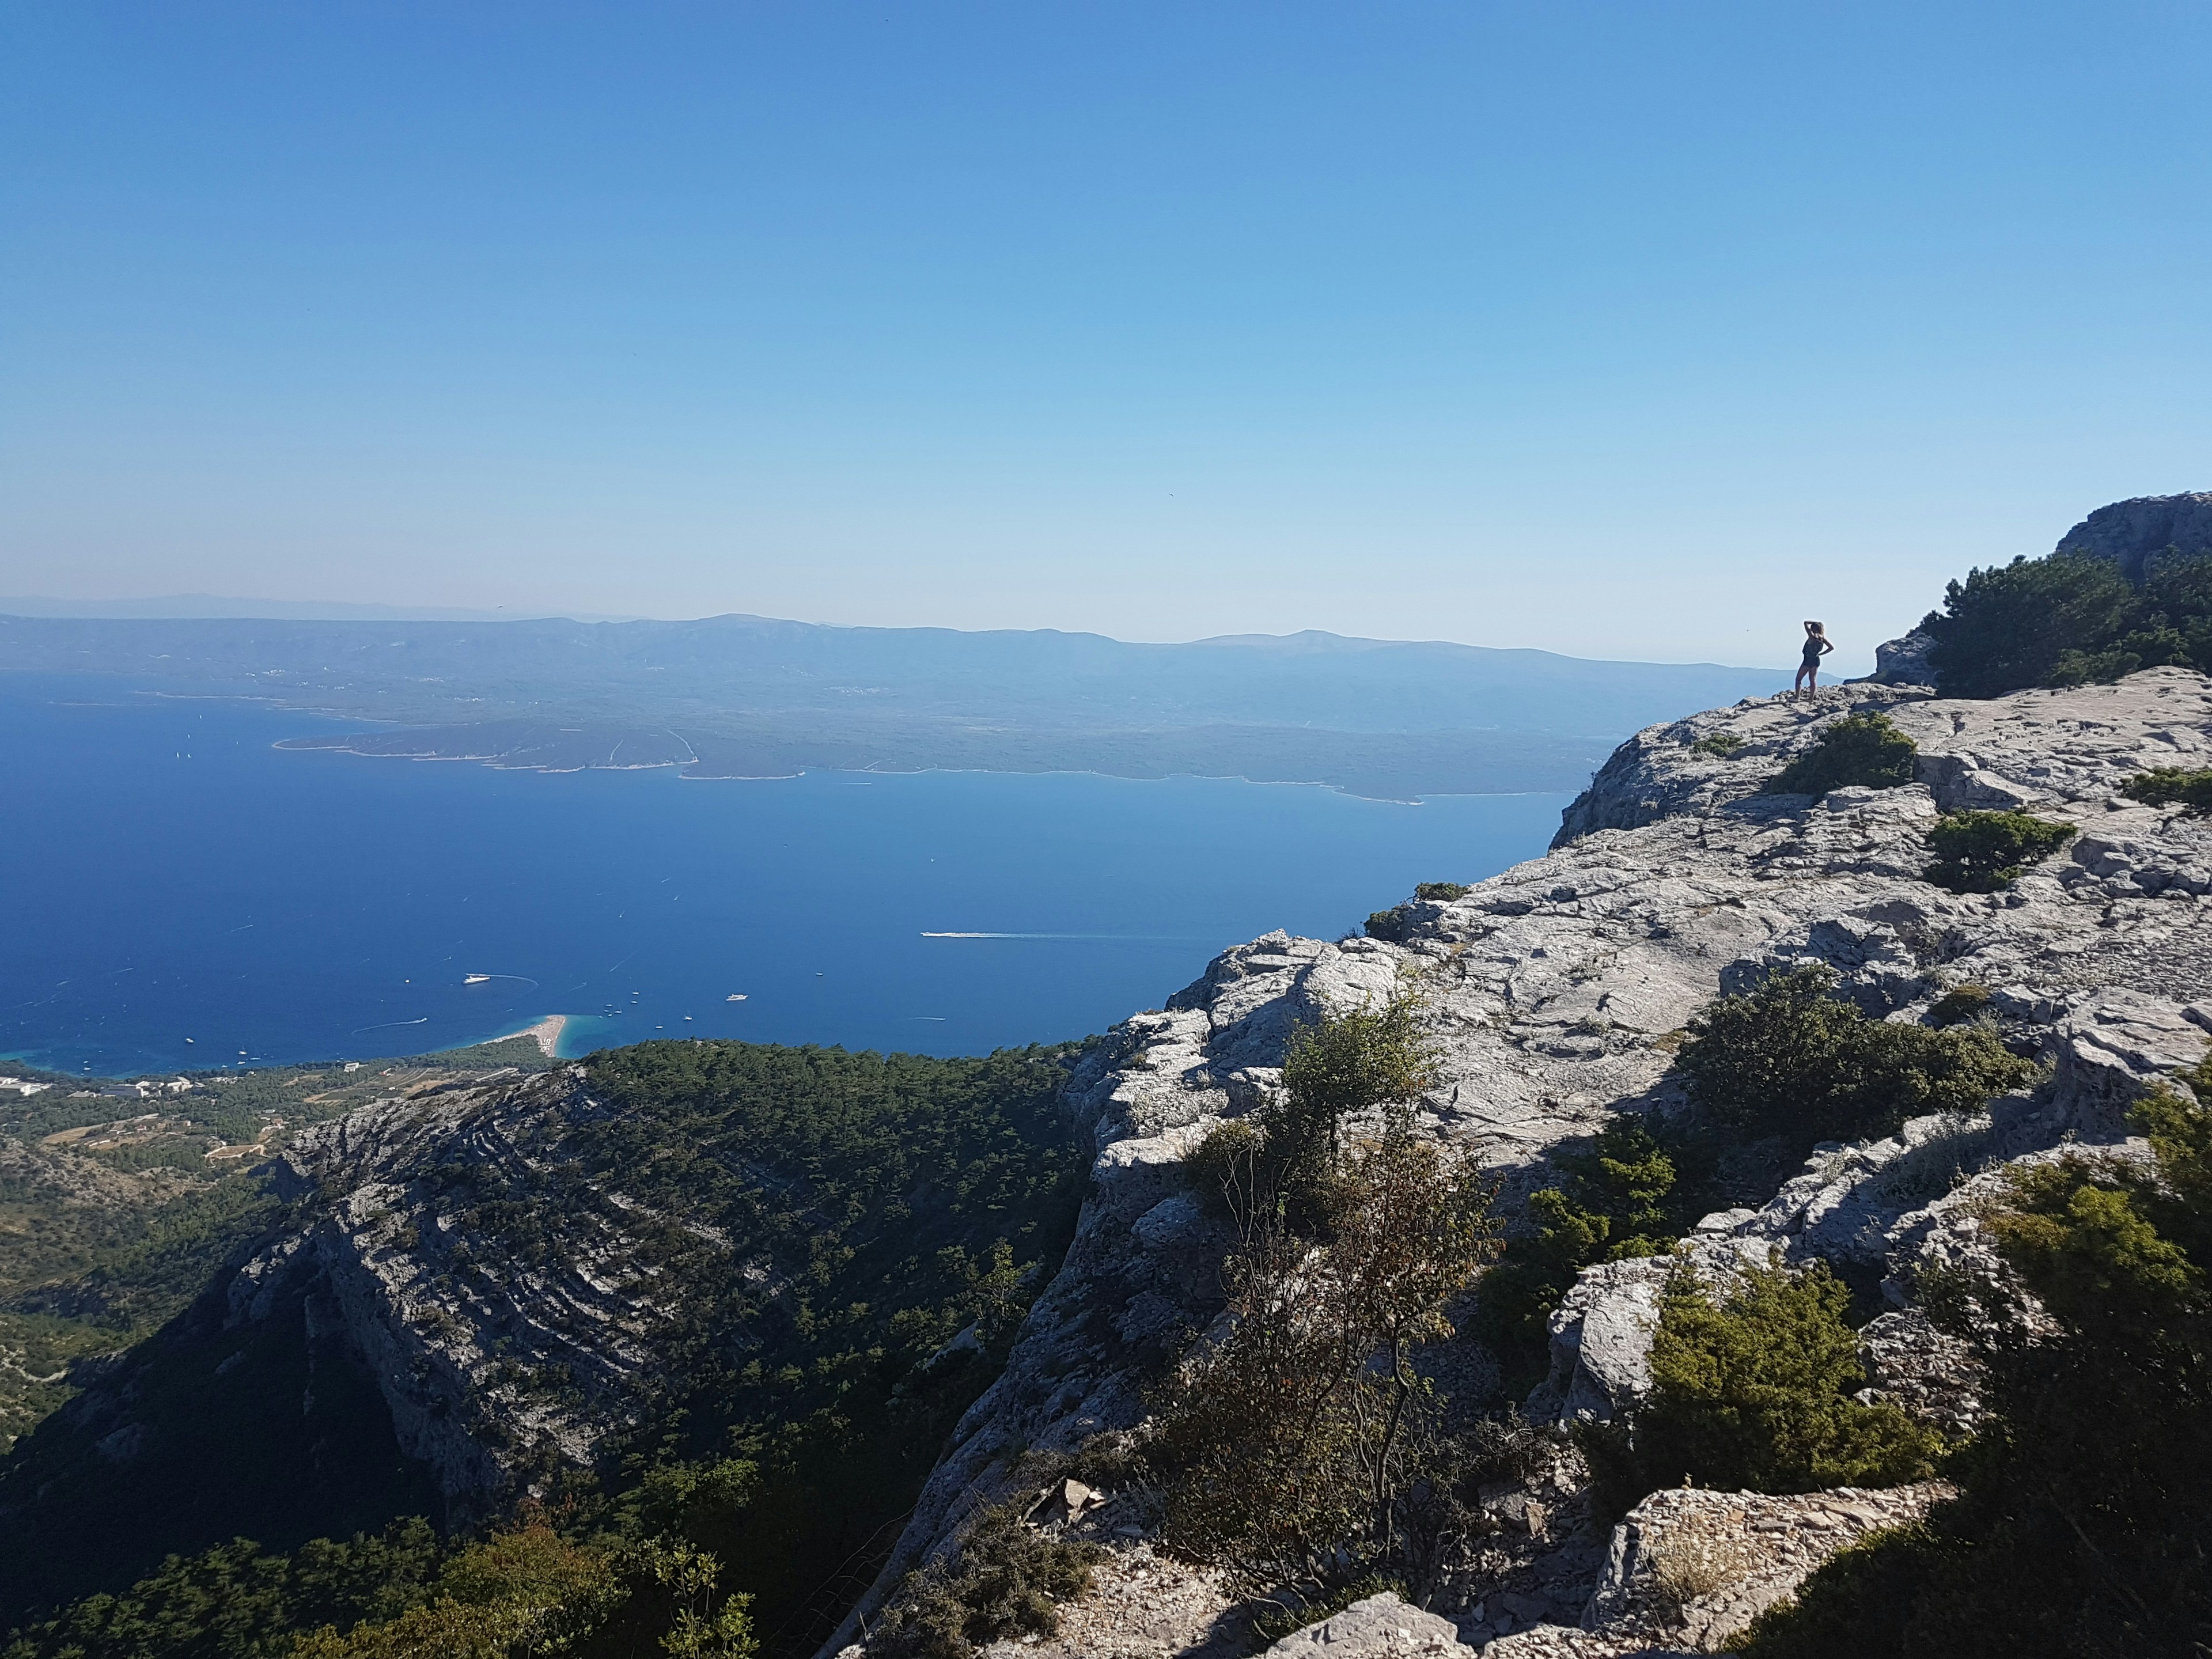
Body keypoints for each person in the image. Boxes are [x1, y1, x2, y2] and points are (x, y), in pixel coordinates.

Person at [1793, 620, 1834, 699]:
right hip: (1816, 660)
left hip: (1807, 661)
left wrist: (1814, 622)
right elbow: (1831, 648)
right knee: (1813, 679)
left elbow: (1805, 623)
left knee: (1798, 679)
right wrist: (1821, 654)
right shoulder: (1822, 638)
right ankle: (1811, 699)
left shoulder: (1811, 636)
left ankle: (1797, 697)